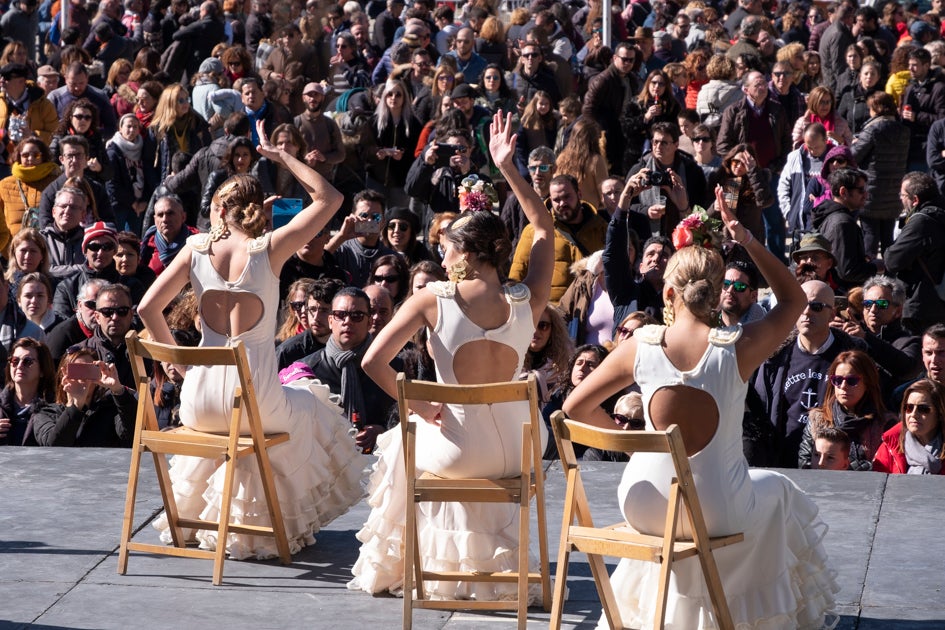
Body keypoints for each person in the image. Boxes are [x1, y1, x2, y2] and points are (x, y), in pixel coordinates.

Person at [562, 186, 839, 628]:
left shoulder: (638, 346)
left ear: (668, 293)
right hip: (715, 506)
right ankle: (749, 615)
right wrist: (745, 237)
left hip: (644, 502)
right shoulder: (739, 347)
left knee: (746, 496)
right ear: (716, 294)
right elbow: (794, 299)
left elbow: (574, 407)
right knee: (778, 492)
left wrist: (636, 445)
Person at [348, 113, 555, 600]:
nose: (441, 258)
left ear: (467, 253)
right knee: (421, 436)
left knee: (400, 440)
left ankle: (416, 564)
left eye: (446, 250)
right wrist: (507, 167)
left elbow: (372, 361)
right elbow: (544, 227)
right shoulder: (529, 299)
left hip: (461, 452)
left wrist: (419, 406)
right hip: (522, 449)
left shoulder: (431, 299)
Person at [137, 121, 365, 559]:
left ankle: (206, 518)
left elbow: (148, 309)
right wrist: (282, 157)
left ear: (219, 209)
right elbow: (331, 199)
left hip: (199, 400)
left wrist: (177, 364)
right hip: (254, 401)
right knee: (313, 402)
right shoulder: (269, 249)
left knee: (284, 406)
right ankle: (274, 522)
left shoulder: (194, 249)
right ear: (255, 209)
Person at [797, 350, 894, 470]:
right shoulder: (817, 420)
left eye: (852, 381)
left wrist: (843, 467)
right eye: (837, 380)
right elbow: (804, 464)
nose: (843, 386)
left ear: (868, 383)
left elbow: (887, 467)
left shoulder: (886, 424)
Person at [30, 346, 136, 447]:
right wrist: (76, 406)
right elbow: (54, 446)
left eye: (88, 371)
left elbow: (131, 435)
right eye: (76, 372)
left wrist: (118, 390)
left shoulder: (109, 411)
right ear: (63, 377)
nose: (82, 378)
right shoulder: (46, 413)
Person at [885, 173, 945, 334]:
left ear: (915, 199)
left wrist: (890, 248)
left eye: (902, 195)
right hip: (939, 299)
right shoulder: (940, 214)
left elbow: (892, 261)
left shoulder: (921, 221)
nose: (900, 199)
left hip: (920, 305)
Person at [873, 379, 945, 475]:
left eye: (923, 409)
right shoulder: (890, 445)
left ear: (940, 413)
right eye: (909, 408)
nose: (913, 414)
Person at [0, 137, 59, 243]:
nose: (30, 158)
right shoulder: (4, 185)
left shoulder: (56, 182)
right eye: (25, 155)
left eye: (36, 155)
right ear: (19, 157)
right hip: (12, 248)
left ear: (43, 156)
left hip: (47, 247)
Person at [0, 337, 56, 446]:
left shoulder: (54, 407)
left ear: (42, 370)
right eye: (15, 361)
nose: (19, 366)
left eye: (27, 361)